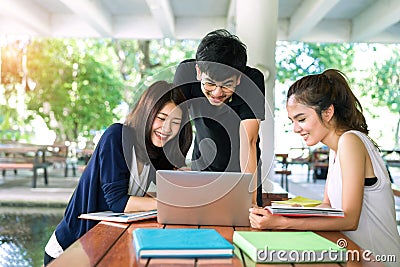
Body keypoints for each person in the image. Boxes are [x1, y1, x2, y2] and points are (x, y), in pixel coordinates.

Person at [249, 69, 400, 265]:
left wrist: (283, 223)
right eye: (292, 121)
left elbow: (349, 219)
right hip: (353, 255)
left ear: (328, 112)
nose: (295, 129)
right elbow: (328, 206)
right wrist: (291, 213)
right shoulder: (336, 148)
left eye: (301, 119)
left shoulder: (350, 141)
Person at [43, 81, 193, 265]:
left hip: (106, 244)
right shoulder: (117, 136)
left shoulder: (157, 152)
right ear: (147, 113)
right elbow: (117, 202)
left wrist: (183, 181)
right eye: (161, 118)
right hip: (72, 248)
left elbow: (148, 199)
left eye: (175, 122)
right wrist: (168, 204)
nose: (166, 128)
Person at [173, 29, 265, 206]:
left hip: (244, 173)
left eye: (226, 85)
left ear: (239, 78)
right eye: (209, 83)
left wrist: (251, 203)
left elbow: (249, 140)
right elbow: (174, 125)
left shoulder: (252, 80)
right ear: (199, 72)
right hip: (202, 167)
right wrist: (173, 173)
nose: (217, 92)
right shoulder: (186, 73)